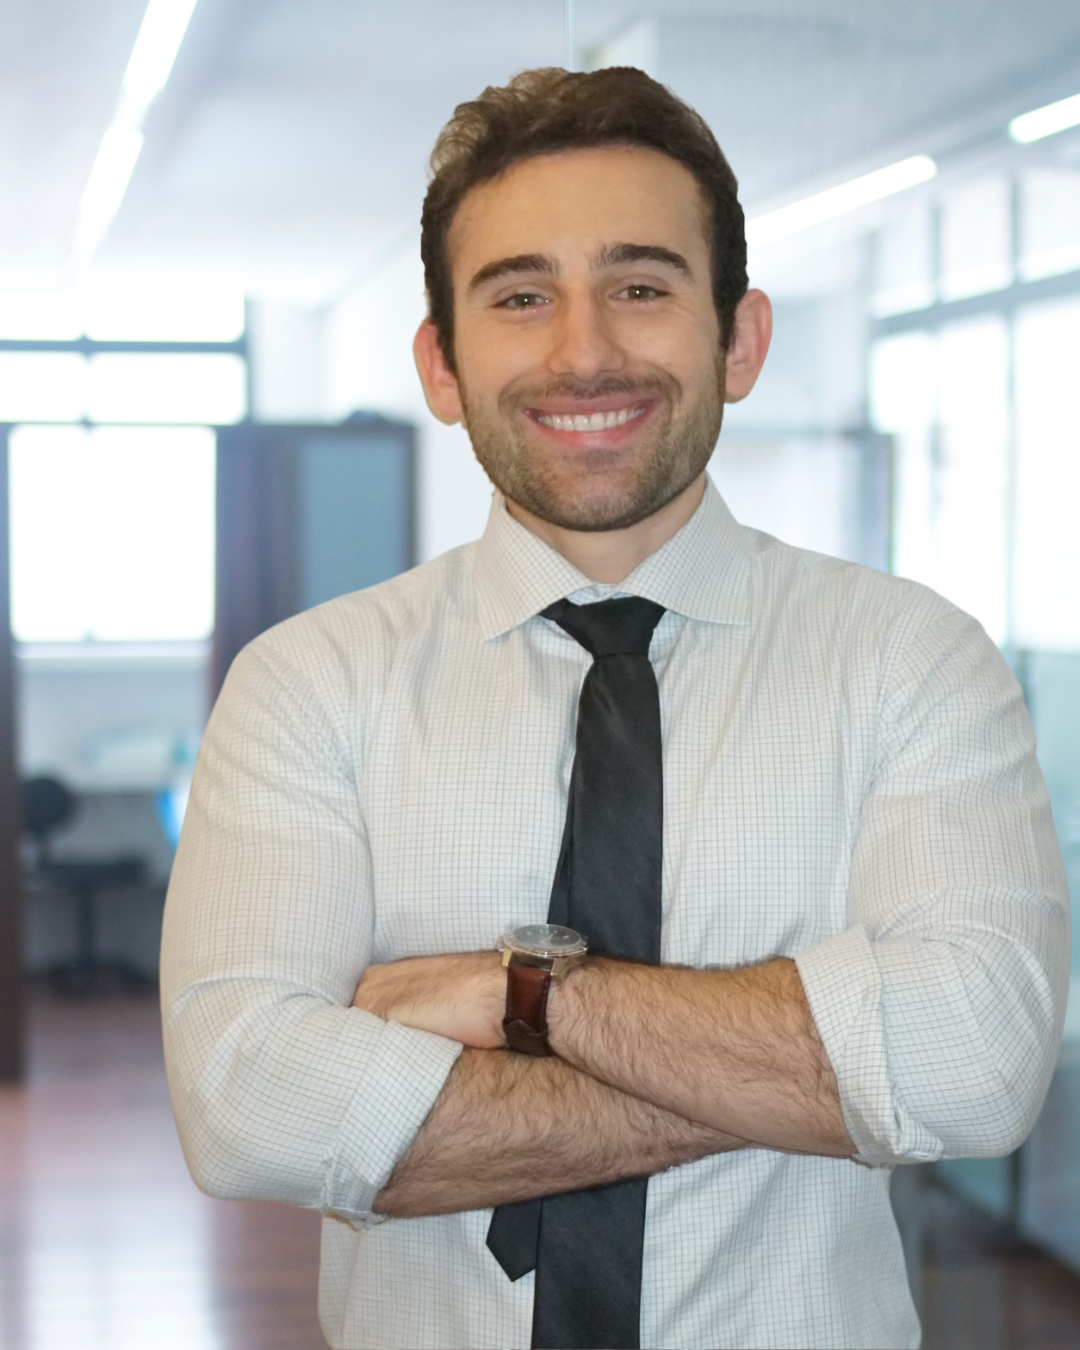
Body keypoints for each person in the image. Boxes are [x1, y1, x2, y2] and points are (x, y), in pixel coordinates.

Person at [161, 66, 1069, 1350]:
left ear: (738, 340)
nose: (584, 350)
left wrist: (523, 996)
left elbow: (974, 1070)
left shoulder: (912, 660)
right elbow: (246, 1106)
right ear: (442, 361)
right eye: (521, 296)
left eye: (641, 287)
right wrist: (819, 1077)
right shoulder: (310, 684)